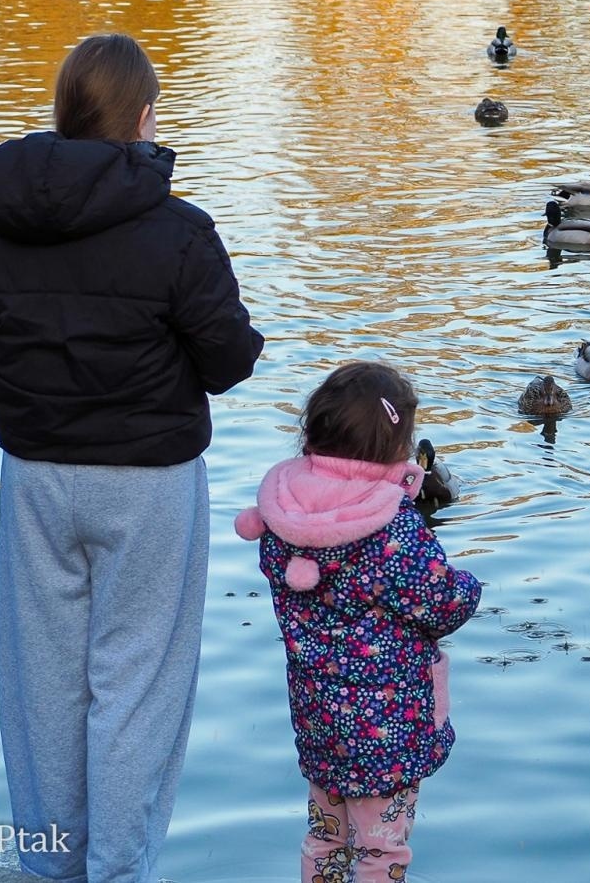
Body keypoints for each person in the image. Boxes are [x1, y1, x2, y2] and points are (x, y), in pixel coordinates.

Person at [0, 33, 264, 882]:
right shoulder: (180, 232)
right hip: (151, 484)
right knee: (138, 684)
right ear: (144, 115)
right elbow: (229, 362)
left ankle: (52, 866)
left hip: (38, 478)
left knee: (42, 686)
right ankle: (120, 871)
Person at [234, 361, 482, 883]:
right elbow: (441, 604)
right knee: (381, 851)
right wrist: (469, 587)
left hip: (318, 717)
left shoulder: (281, 514)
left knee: (325, 837)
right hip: (386, 729)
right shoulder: (391, 526)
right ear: (395, 446)